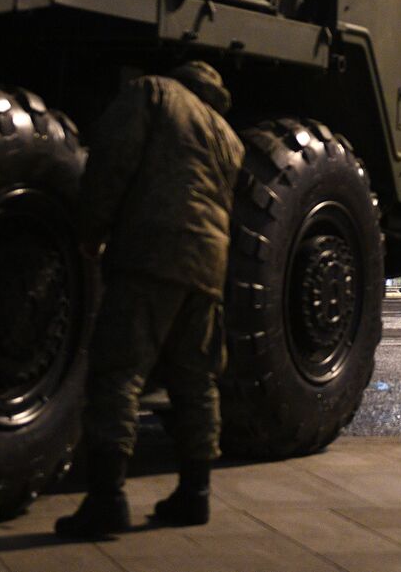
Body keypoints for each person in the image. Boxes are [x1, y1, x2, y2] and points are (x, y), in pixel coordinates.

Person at [56, 61, 245, 539]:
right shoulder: (228, 135)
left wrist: (90, 228)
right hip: (208, 265)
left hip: (152, 251)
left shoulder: (154, 94)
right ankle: (195, 493)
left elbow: (113, 160)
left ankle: (106, 499)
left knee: (118, 372)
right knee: (196, 378)